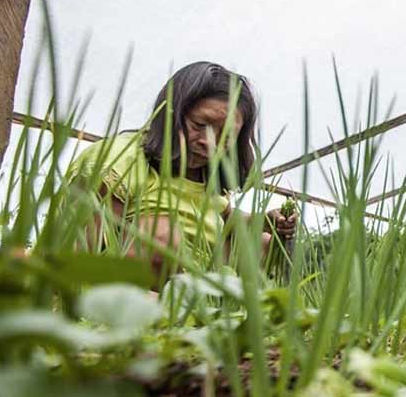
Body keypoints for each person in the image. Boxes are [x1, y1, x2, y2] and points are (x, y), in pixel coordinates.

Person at [66, 61, 297, 278]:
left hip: (195, 283)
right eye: (199, 125)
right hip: (125, 282)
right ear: (171, 112)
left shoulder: (207, 175)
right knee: (161, 234)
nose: (210, 142)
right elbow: (80, 248)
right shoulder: (121, 159)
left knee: (263, 243)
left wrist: (264, 220)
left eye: (226, 136)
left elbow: (226, 217)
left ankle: (219, 309)